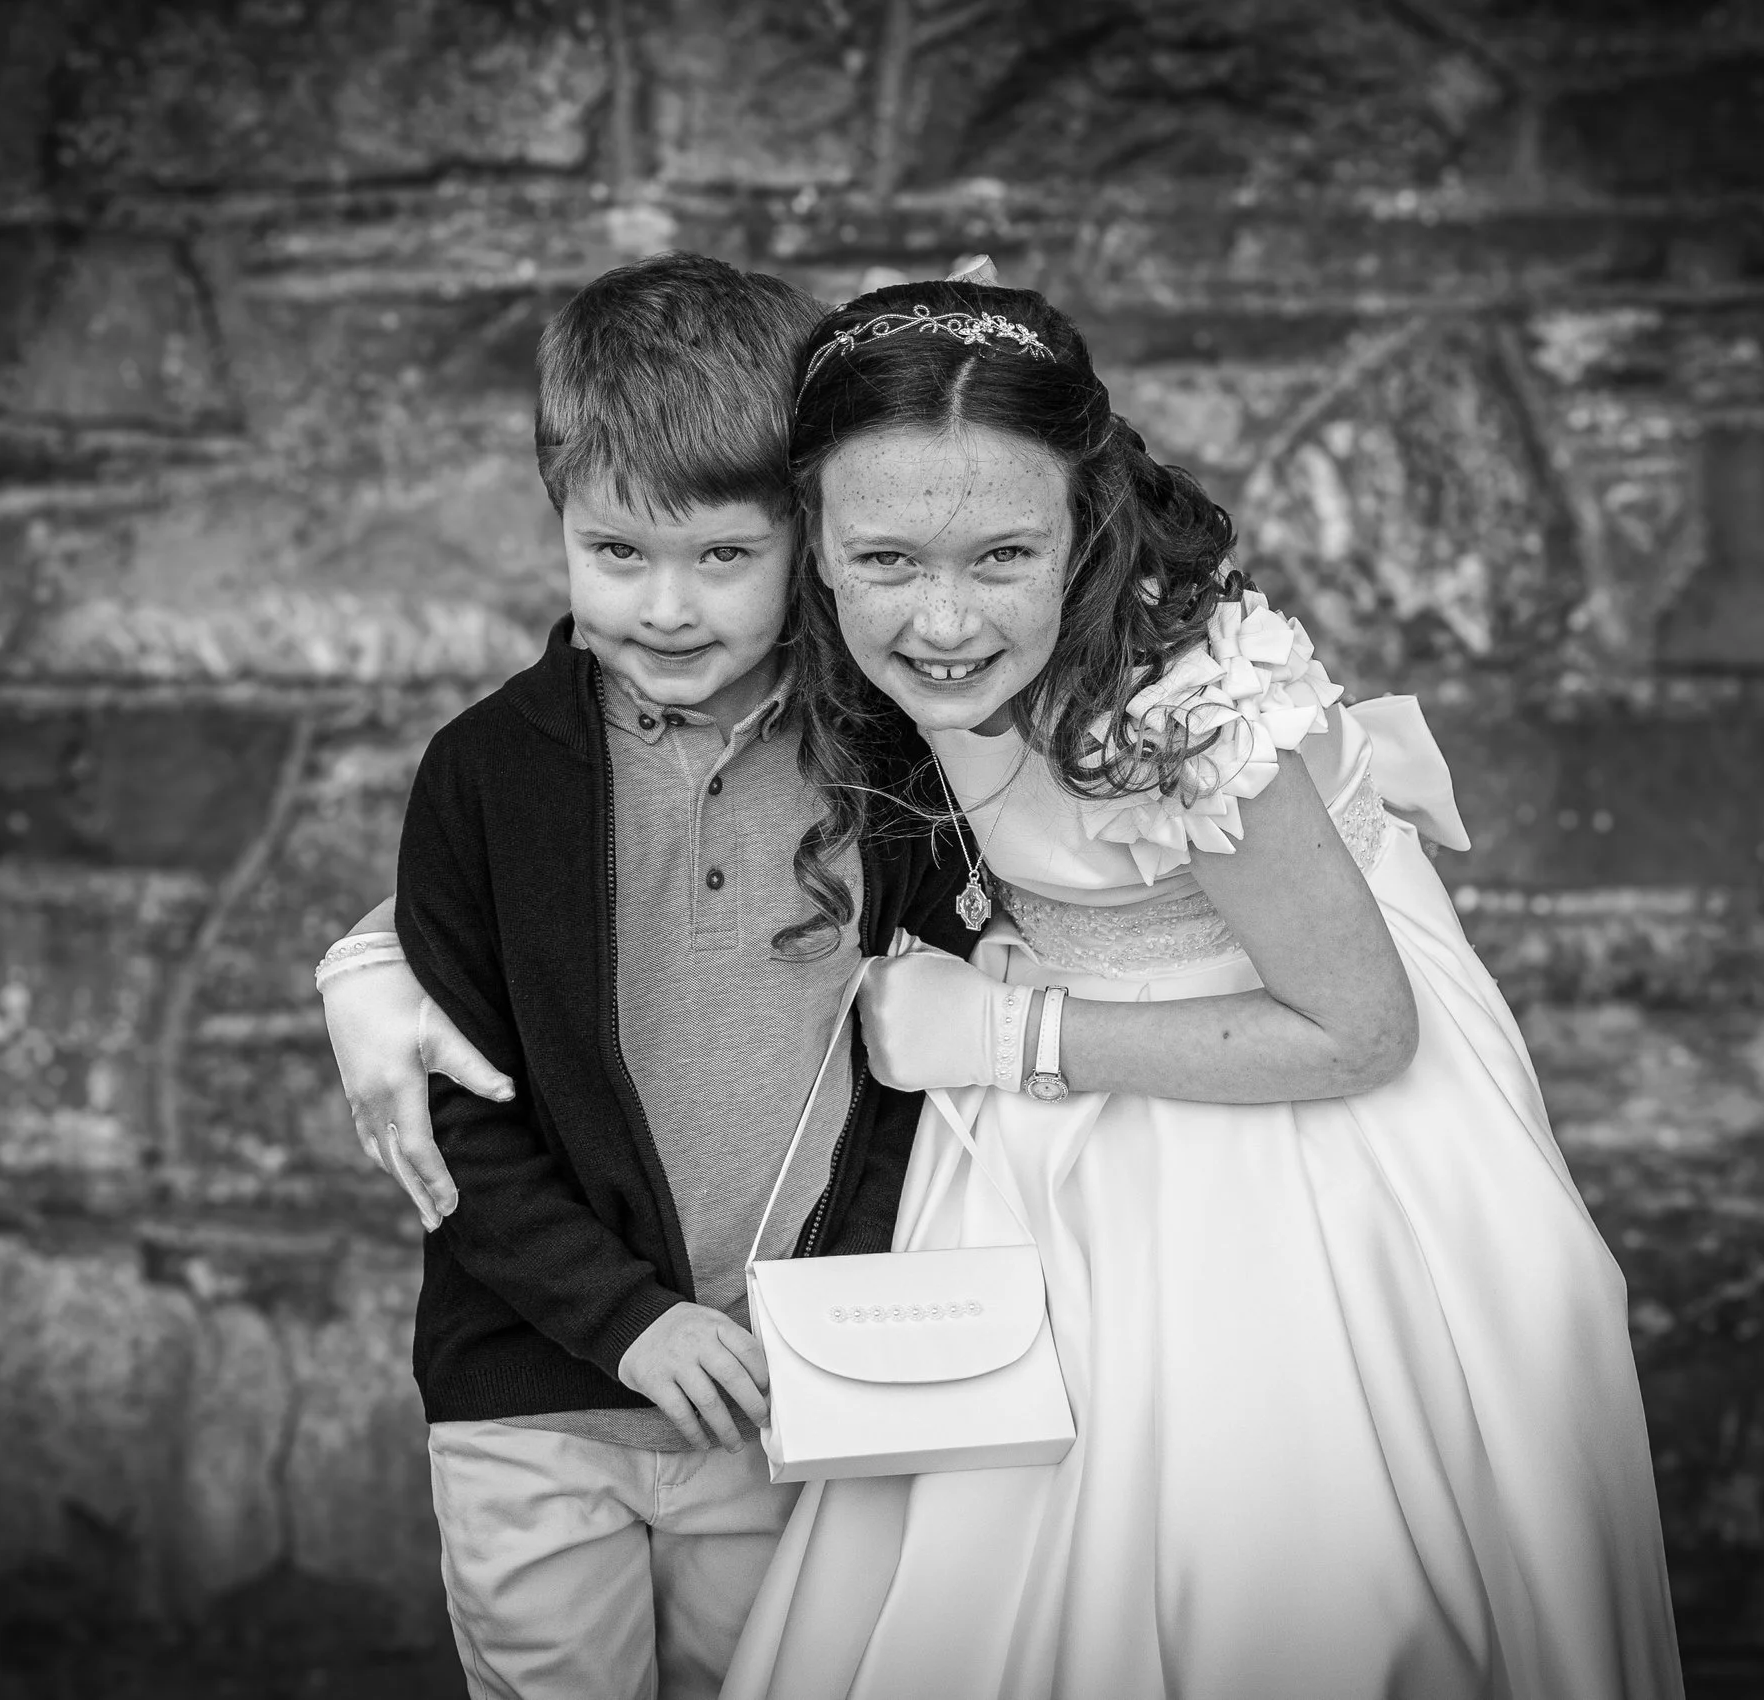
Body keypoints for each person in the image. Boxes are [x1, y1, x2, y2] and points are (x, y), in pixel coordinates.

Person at [334, 272, 1685, 1696]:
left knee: (1246, 1544)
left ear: (1081, 526)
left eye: (1001, 558)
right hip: (1026, 1134)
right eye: (885, 559)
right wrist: (369, 957)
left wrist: (1006, 1034)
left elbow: (1358, 1028)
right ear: (818, 539)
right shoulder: (840, 657)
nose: (942, 620)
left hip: (1290, 1133)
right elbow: (583, 834)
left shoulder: (1180, 706)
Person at [327, 250, 979, 1700]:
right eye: (617, 552)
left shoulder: (896, 764)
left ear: (807, 533)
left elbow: (912, 1086)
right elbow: (458, 1113)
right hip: (535, 1398)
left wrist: (834, 1307)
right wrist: (628, 1323)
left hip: (780, 1400)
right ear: (559, 518)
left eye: (723, 556)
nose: (668, 606)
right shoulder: (486, 775)